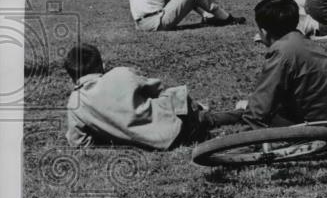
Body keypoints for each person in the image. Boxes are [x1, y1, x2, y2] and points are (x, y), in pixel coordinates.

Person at [62, 44, 239, 149]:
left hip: (155, 141)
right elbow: (158, 88)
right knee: (201, 116)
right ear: (103, 65)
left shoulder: (74, 104)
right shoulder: (120, 74)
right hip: (178, 124)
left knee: (203, 121)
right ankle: (242, 115)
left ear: (71, 77)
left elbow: (79, 142)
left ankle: (220, 118)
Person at [240, 0, 327, 128]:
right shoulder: (304, 41)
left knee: (271, 113)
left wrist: (248, 111)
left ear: (264, 32)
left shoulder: (282, 52)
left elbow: (257, 112)